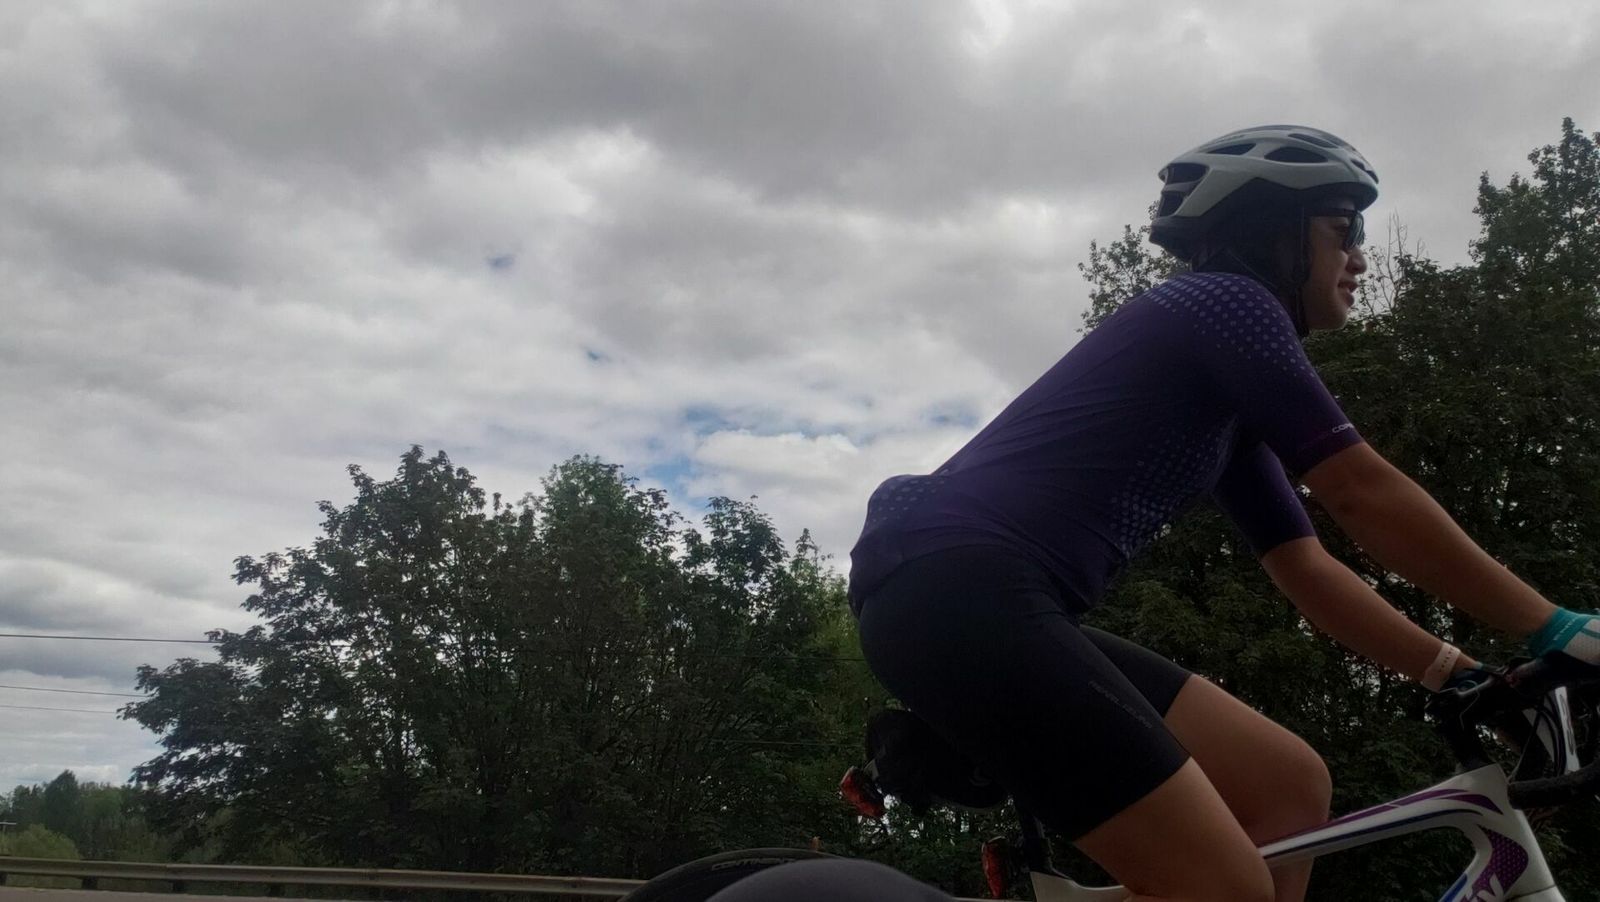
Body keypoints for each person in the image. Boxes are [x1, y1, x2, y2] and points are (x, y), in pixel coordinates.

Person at [846, 125, 1600, 902]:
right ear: (1276, 231)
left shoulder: (1223, 396)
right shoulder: (1228, 302)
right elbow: (1359, 490)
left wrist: (1457, 674)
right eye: (1344, 230)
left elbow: (1306, 569)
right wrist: (1553, 627)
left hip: (965, 593)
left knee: (1289, 784)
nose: (1361, 257)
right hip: (959, 590)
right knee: (1225, 886)